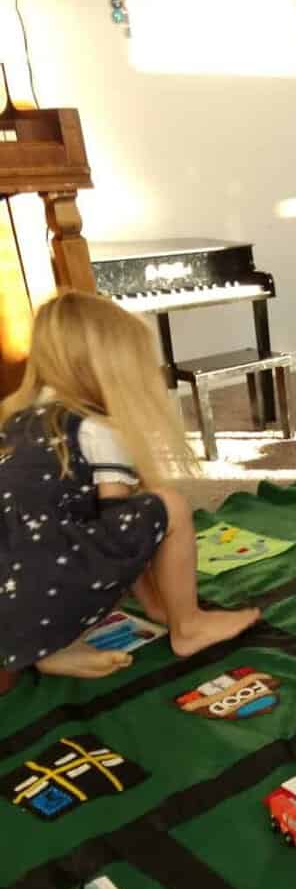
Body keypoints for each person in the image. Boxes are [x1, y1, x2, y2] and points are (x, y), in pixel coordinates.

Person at [0, 290, 259, 680]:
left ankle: (53, 648)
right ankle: (189, 626)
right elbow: (122, 524)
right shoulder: (95, 427)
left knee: (95, 523)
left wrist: (153, 602)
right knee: (166, 505)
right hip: (40, 592)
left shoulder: (20, 421)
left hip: (13, 603)